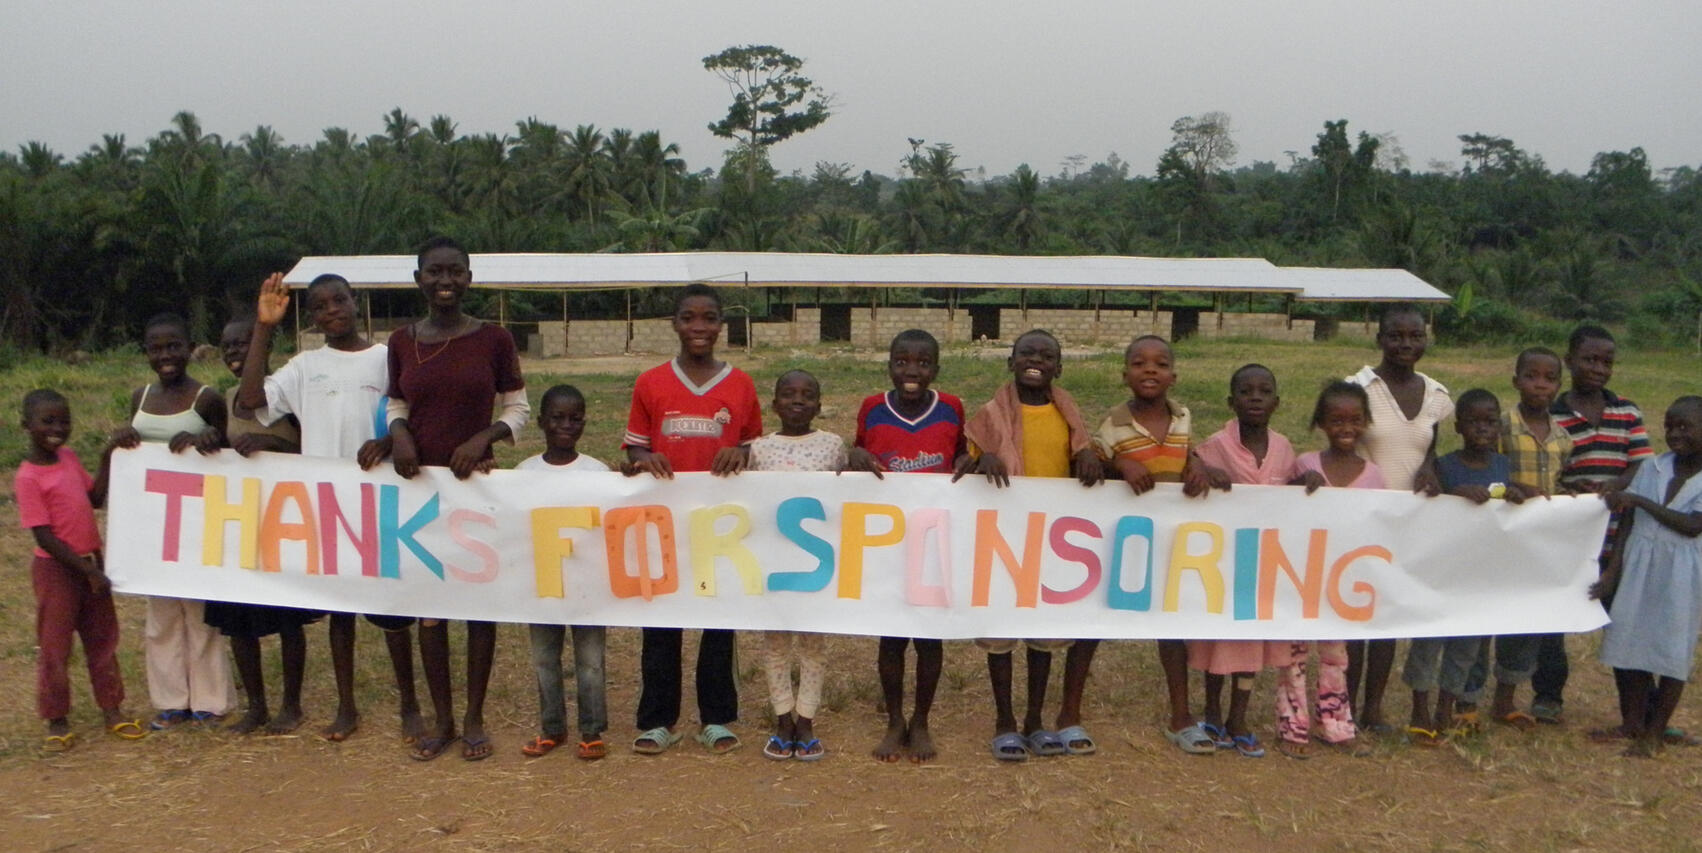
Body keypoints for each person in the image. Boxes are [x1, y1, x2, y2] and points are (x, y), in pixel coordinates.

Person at [235, 272, 424, 743]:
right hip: (326, 504)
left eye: (339, 300)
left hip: (379, 500)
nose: (332, 310)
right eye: (320, 306)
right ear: (312, 317)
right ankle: (346, 707)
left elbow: (411, 415)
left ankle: (410, 705)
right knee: (340, 611)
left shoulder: (387, 357)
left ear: (355, 301)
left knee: (392, 609)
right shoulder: (305, 366)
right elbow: (250, 401)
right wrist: (264, 327)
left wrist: (387, 442)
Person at [386, 237, 530, 761]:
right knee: (430, 608)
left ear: (469, 278)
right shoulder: (401, 342)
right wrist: (399, 434)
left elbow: (518, 408)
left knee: (476, 606)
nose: (444, 281)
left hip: (475, 488)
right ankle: (442, 720)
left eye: (455, 272)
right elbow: (396, 402)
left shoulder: (494, 339)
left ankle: (473, 719)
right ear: (418, 279)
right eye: (434, 272)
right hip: (421, 492)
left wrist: (482, 439)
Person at [623, 283, 762, 755]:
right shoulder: (650, 382)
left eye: (708, 318)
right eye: (688, 318)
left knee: (717, 621)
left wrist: (740, 452)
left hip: (720, 526)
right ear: (674, 324)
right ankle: (657, 720)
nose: (698, 327)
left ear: (722, 325)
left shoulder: (740, 384)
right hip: (664, 523)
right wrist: (644, 459)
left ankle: (716, 718)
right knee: (661, 621)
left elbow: (753, 446)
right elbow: (634, 448)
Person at [955, 329, 1106, 761]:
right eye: (1026, 353)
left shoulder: (1067, 414)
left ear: (1059, 367)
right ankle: (1004, 722)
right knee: (1001, 633)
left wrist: (1087, 455)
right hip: (1003, 540)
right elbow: (968, 460)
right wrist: (983, 458)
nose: (1035, 360)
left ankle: (1035, 721)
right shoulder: (989, 415)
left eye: (1046, 355)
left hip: (1049, 541)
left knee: (1042, 635)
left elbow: (1079, 455)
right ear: (1011, 362)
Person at [1090, 335, 1226, 756]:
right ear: (1124, 374)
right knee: (1091, 625)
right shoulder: (1112, 424)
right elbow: (1091, 464)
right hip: (1122, 540)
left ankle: (1181, 717)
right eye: (1139, 363)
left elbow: (1186, 455)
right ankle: (1069, 714)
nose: (1150, 370)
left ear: (1173, 376)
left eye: (1160, 364)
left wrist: (1197, 466)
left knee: (1171, 629)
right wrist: (1120, 463)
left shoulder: (1183, 417)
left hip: (1171, 543)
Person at [110, 312, 234, 730]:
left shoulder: (208, 399)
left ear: (190, 348)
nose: (165, 355)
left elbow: (227, 451)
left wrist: (207, 440)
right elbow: (133, 453)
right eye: (156, 348)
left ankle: (210, 701)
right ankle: (170, 701)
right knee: (161, 616)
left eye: (174, 346)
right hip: (153, 526)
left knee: (200, 613)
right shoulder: (140, 397)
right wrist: (122, 440)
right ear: (146, 353)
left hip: (198, 522)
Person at [846, 329, 965, 763]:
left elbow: (960, 455)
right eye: (902, 361)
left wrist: (971, 461)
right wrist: (855, 456)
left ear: (936, 368)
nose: (911, 370)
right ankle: (895, 720)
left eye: (922, 363)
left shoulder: (951, 408)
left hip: (934, 538)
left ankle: (922, 721)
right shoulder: (872, 408)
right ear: (889, 366)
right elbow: (860, 453)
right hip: (887, 539)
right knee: (892, 634)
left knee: (929, 637)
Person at [15, 389, 147, 751]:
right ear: (26, 425)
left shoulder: (69, 458)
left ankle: (112, 710)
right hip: (57, 570)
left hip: (92, 563)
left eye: (64, 421)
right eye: (47, 421)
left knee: (103, 639)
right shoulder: (28, 477)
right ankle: (56, 718)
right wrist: (86, 571)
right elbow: (44, 537)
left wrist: (108, 454)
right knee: (55, 648)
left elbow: (95, 499)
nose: (57, 429)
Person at [1535, 325, 1652, 725]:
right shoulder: (1551, 414)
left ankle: (1639, 704)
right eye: (1590, 360)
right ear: (1569, 361)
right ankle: (1548, 695)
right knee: (1553, 623)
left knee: (1624, 623)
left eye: (1607, 362)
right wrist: (1571, 488)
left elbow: (1640, 464)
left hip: (1618, 537)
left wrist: (1616, 486)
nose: (1599, 369)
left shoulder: (1627, 411)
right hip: (1567, 538)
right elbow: (1546, 470)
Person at [206, 316, 318, 734]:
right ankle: (256, 707)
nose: (235, 352)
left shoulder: (288, 397)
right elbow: (220, 451)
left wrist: (272, 444)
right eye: (228, 346)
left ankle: (291, 705)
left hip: (285, 524)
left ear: (263, 347)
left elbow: (315, 453)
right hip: (238, 524)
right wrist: (205, 443)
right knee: (238, 621)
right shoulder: (225, 399)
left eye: (243, 343)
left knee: (288, 618)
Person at [1344, 304, 1451, 734]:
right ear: (1379, 339)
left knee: (1386, 618)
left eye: (1415, 336)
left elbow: (1430, 450)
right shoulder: (1357, 388)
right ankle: (1344, 707)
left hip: (1409, 523)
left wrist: (1430, 470)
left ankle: (1373, 709)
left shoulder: (1437, 395)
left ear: (1425, 339)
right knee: (1356, 614)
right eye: (1396, 335)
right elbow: (1342, 443)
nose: (1406, 344)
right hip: (1361, 517)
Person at [1403, 389, 1529, 746]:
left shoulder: (1502, 466)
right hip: (1443, 571)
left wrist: (1515, 497)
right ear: (1458, 427)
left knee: (1466, 646)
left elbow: (1505, 502)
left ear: (1499, 427)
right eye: (1474, 421)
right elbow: (1429, 505)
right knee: (1428, 642)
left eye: (1490, 421)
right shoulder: (1444, 465)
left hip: (1480, 575)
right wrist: (1455, 495)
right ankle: (1419, 709)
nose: (1482, 428)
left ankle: (1446, 708)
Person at [1189, 364, 1296, 759]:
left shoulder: (1284, 449)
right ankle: (1212, 713)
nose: (1255, 398)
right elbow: (1190, 469)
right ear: (1230, 401)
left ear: (1276, 402)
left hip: (1263, 564)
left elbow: (1293, 492)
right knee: (1217, 638)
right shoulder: (1214, 446)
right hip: (1221, 563)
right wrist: (1202, 469)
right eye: (1246, 391)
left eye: (1264, 391)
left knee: (1250, 640)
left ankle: (1239, 718)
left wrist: (1306, 486)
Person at [743, 370, 847, 761]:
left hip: (817, 567)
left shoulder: (833, 446)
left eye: (807, 395)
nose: (798, 401)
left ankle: (806, 720)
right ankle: (782, 719)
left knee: (813, 645)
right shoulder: (758, 449)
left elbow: (847, 496)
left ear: (819, 405)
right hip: (775, 564)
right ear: (774, 405)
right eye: (788, 394)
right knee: (775, 644)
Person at [1591, 397, 1702, 757]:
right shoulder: (1652, 467)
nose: (1675, 434)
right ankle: (1633, 722)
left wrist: (1640, 502)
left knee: (1672, 647)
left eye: (1685, 427)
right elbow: (1626, 522)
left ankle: (1655, 733)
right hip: (1639, 563)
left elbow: (1692, 526)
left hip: (1681, 571)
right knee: (1629, 640)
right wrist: (1612, 573)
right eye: (1669, 426)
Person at [1279, 380, 1384, 759]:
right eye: (1337, 420)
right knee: (1293, 653)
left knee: (1337, 654)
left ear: (1366, 422)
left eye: (1355, 420)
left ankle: (1336, 724)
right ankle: (1292, 727)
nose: (1346, 428)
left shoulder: (1374, 476)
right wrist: (1297, 486)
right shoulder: (1305, 464)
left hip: (1345, 581)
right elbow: (1282, 513)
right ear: (1321, 423)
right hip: (1303, 575)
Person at [515, 385, 611, 762]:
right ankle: (552, 727)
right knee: (544, 659)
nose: (566, 425)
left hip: (587, 586)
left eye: (575, 418)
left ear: (584, 422)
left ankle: (591, 730)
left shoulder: (597, 472)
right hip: (543, 584)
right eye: (557, 418)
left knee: (591, 661)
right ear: (541, 422)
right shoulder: (523, 473)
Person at [1488, 347, 1572, 729]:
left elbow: (1559, 483)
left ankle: (1504, 699)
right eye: (1531, 376)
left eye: (1549, 378)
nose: (1540, 385)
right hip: (1502, 537)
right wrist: (1511, 488)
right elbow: (1488, 472)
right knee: (1494, 612)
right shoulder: (1501, 426)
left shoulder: (1563, 438)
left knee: (1523, 623)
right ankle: (1467, 695)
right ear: (1516, 381)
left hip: (1540, 545)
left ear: (1559, 386)